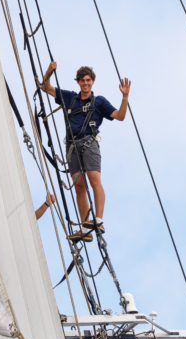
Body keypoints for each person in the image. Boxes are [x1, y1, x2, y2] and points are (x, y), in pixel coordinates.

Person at [41, 61, 130, 242]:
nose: (85, 83)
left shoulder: (99, 102)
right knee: (79, 186)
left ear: (93, 82)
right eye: (82, 80)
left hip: (89, 143)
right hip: (72, 146)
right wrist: (49, 72)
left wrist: (125, 97)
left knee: (94, 179)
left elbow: (120, 116)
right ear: (78, 82)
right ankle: (85, 227)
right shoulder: (70, 98)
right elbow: (45, 87)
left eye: (88, 80)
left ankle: (98, 219)